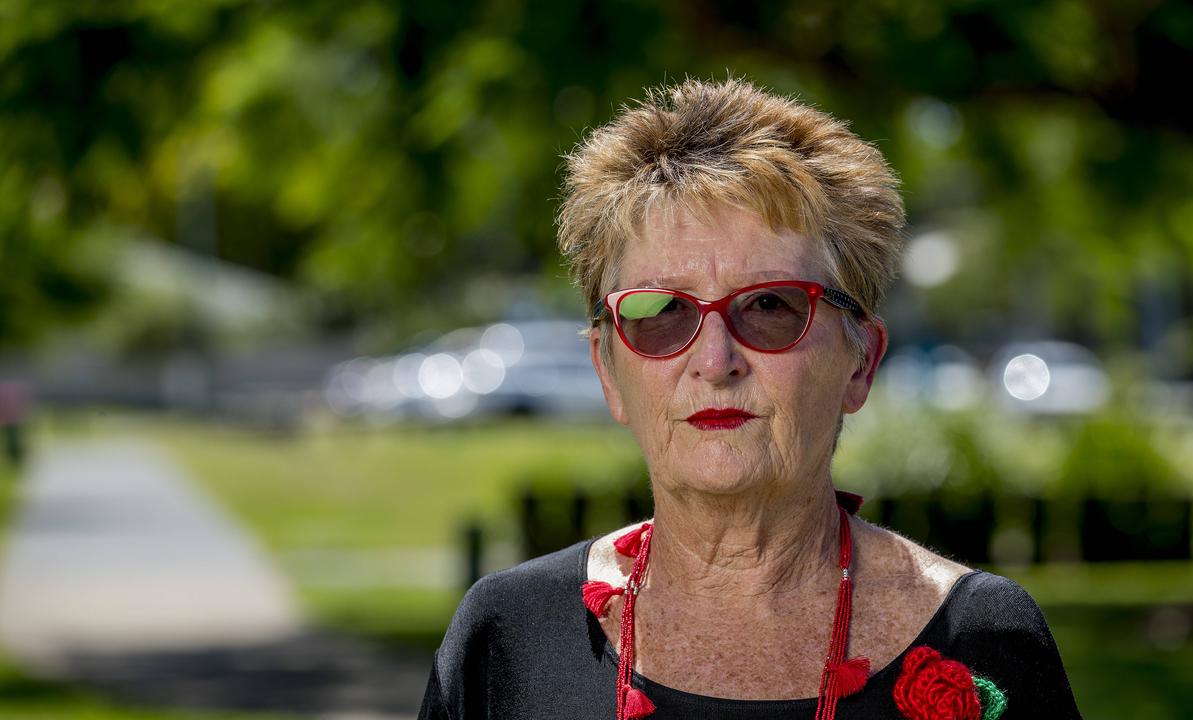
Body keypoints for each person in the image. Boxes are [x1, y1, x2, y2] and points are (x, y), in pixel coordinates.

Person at [418, 78, 1081, 720]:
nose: (715, 361)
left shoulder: (985, 643)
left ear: (861, 362)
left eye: (770, 306)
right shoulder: (505, 637)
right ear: (608, 370)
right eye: (663, 312)